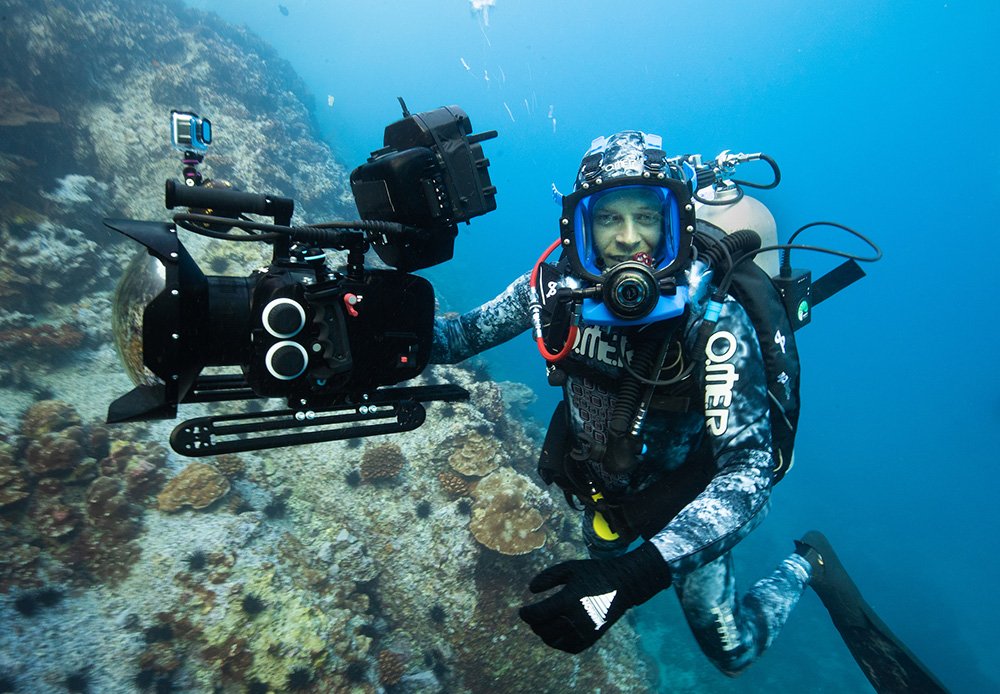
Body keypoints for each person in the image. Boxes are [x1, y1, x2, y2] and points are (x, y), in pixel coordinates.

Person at [429, 131, 945, 689]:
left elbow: (749, 476)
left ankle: (808, 565)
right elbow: (455, 339)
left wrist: (634, 575)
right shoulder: (551, 291)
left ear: (675, 220)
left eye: (647, 217)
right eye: (607, 219)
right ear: (577, 224)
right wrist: (367, 328)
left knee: (733, 651)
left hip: (689, 510)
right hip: (606, 489)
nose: (629, 240)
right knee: (601, 538)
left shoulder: (714, 322)